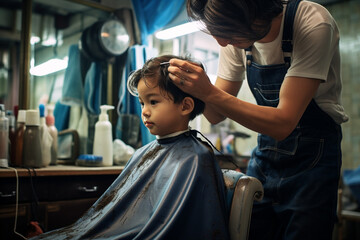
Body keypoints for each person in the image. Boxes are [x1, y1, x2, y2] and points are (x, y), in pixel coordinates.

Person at [167, 0, 349, 239]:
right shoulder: (235, 35)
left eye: (227, 33)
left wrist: (208, 92)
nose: (222, 42)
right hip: (266, 154)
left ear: (256, 11)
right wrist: (193, 88)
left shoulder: (312, 22)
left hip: (314, 156)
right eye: (217, 33)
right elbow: (216, 114)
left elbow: (283, 123)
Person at [31, 55, 230, 240]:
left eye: (153, 102)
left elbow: (173, 227)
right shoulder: (143, 152)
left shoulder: (194, 158)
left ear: (185, 106)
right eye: (142, 102)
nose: (145, 111)